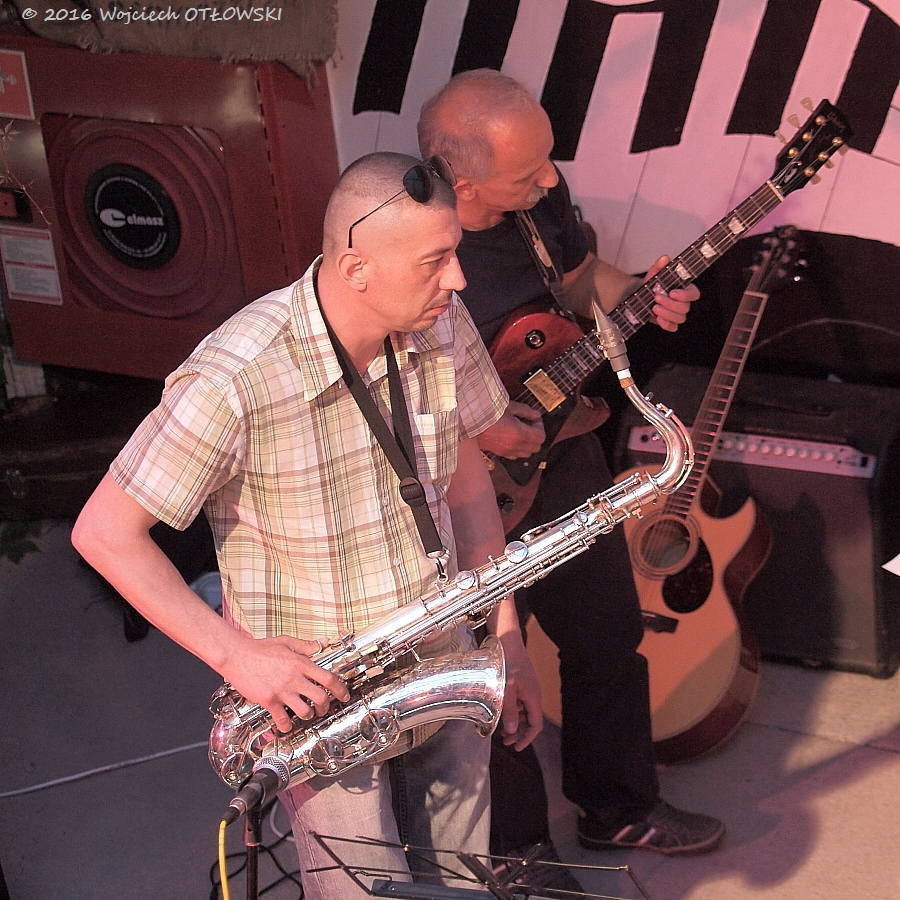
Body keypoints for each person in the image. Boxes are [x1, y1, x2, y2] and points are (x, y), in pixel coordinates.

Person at [71, 151, 543, 900]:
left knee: (459, 885)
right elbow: (103, 533)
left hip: (447, 661)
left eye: (455, 252)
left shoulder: (441, 322)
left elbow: (468, 487)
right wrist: (238, 657)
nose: (458, 280)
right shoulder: (236, 374)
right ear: (357, 269)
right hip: (325, 703)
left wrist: (505, 638)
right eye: (436, 261)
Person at [418, 68, 726, 856]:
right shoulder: (410, 238)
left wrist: (643, 294)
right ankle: (520, 857)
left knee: (607, 633)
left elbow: (584, 281)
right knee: (493, 670)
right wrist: (480, 431)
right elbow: (380, 375)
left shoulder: (537, 204)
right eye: (527, 174)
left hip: (565, 447)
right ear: (462, 182)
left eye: (547, 162)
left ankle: (619, 808)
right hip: (463, 480)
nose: (550, 181)